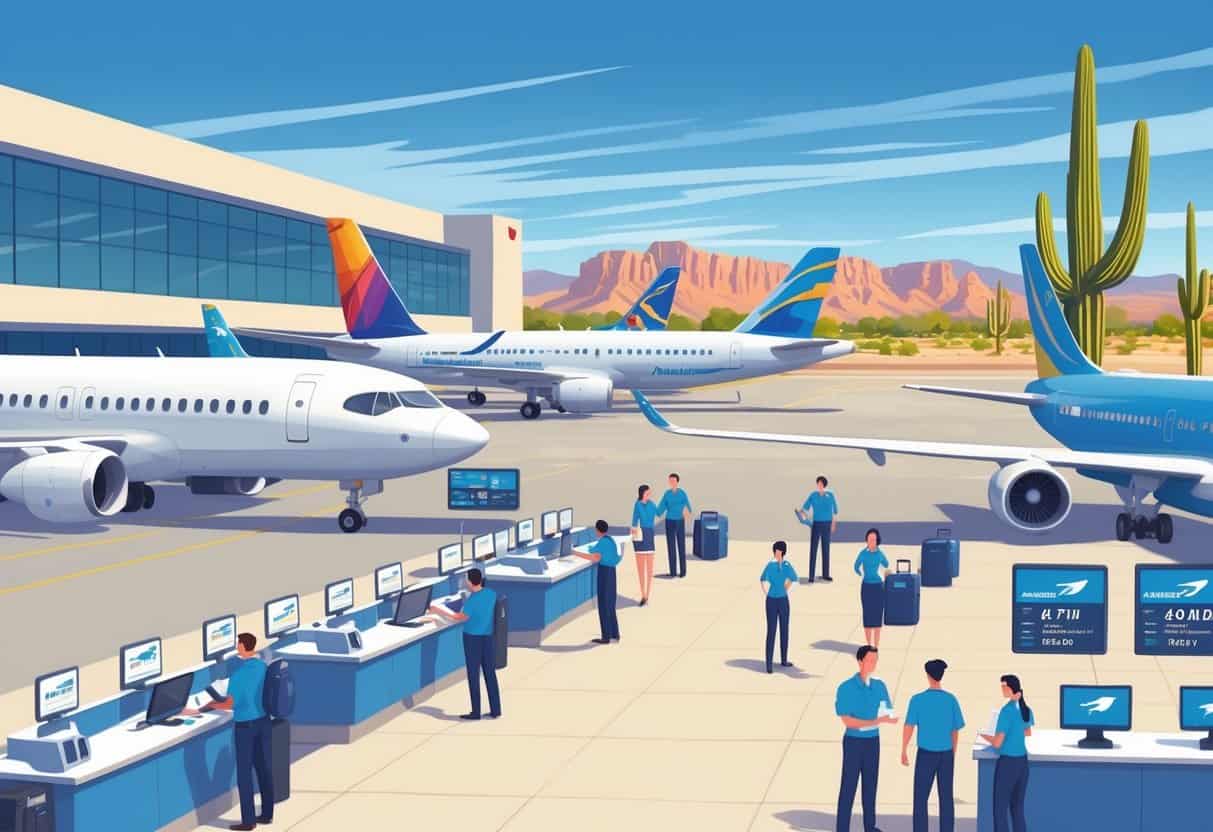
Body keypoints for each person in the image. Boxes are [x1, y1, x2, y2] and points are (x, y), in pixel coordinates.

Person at [182, 633, 273, 831]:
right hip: (264, 723)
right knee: (264, 768)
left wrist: (201, 708)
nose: (236, 646)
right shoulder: (261, 666)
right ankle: (267, 814)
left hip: (246, 727)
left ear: (242, 646)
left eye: (237, 643)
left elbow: (229, 703)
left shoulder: (239, 675)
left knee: (244, 774)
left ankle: (248, 821)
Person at [835, 645, 897, 832]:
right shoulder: (846, 687)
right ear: (860, 661)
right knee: (849, 786)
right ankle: (842, 828)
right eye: (870, 660)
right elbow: (847, 721)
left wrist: (887, 718)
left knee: (870, 786)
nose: (873, 664)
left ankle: (870, 826)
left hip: (872, 742)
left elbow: (888, 712)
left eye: (876, 661)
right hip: (853, 742)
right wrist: (877, 720)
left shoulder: (879, 686)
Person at [428, 568, 502, 720]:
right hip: (487, 639)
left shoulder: (472, 601)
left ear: (469, 581)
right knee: (490, 674)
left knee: (473, 675)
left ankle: (476, 712)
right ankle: (496, 709)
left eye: (465, 579)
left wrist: (438, 610)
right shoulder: (490, 594)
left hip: (472, 640)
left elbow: (458, 617)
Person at [902, 659, 966, 832]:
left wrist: (904, 749)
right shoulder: (951, 700)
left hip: (925, 755)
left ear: (928, 676)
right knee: (946, 798)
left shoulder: (917, 700)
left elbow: (909, 726)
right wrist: (953, 752)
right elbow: (955, 730)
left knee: (920, 798)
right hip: (946, 754)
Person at [980, 675, 1033, 832]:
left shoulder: (1006, 711)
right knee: (1017, 809)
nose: (1002, 689)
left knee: (1000, 809)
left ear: (1011, 688)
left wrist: (984, 735)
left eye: (1004, 686)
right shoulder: (1026, 709)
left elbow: (997, 743)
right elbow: (1027, 732)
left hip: (1008, 764)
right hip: (1023, 763)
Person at [575, 519, 621, 643]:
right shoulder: (610, 540)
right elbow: (596, 549)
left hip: (604, 573)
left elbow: (594, 558)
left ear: (598, 530)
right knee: (610, 604)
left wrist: (575, 553)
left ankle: (605, 637)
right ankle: (614, 634)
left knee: (603, 604)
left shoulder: (602, 543)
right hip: (612, 573)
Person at [760, 540, 797, 673]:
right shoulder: (770, 565)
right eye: (775, 551)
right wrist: (767, 593)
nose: (777, 553)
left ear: (783, 552)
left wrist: (785, 588)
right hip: (771, 600)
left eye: (779, 551)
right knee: (771, 631)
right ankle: (769, 664)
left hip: (783, 600)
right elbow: (762, 579)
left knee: (784, 630)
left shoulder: (787, 565)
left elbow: (794, 578)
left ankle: (784, 659)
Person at [796, 475, 838, 582]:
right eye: (818, 484)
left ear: (824, 485)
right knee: (813, 549)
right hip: (816, 524)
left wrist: (833, 524)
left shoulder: (831, 495)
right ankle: (811, 576)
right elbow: (805, 508)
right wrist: (800, 513)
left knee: (826, 549)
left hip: (827, 524)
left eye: (821, 484)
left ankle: (825, 574)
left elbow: (835, 511)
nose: (819, 485)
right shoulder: (813, 495)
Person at [854, 528, 890, 647]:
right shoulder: (863, 553)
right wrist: (860, 573)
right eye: (869, 539)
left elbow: (886, 564)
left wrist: (884, 570)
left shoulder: (880, 553)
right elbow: (856, 566)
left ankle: (876, 646)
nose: (871, 541)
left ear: (877, 541)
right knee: (868, 616)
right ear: (866, 540)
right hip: (866, 587)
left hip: (879, 587)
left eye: (874, 539)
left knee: (877, 616)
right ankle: (869, 645)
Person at [656, 472, 693, 578]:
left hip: (680, 521)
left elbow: (688, 507)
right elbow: (660, 507)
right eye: (670, 480)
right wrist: (654, 511)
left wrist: (686, 513)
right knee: (671, 547)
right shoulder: (667, 494)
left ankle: (683, 572)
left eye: (673, 480)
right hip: (669, 521)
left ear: (677, 481)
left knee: (681, 546)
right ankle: (672, 572)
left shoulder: (682, 493)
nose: (671, 482)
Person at [631, 484, 659, 606]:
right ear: (642, 493)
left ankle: (648, 594)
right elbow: (634, 520)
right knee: (641, 569)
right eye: (647, 493)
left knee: (649, 569)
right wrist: (633, 533)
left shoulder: (652, 504)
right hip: (640, 536)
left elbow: (659, 512)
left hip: (649, 535)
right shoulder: (637, 505)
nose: (649, 495)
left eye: (650, 493)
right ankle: (643, 595)